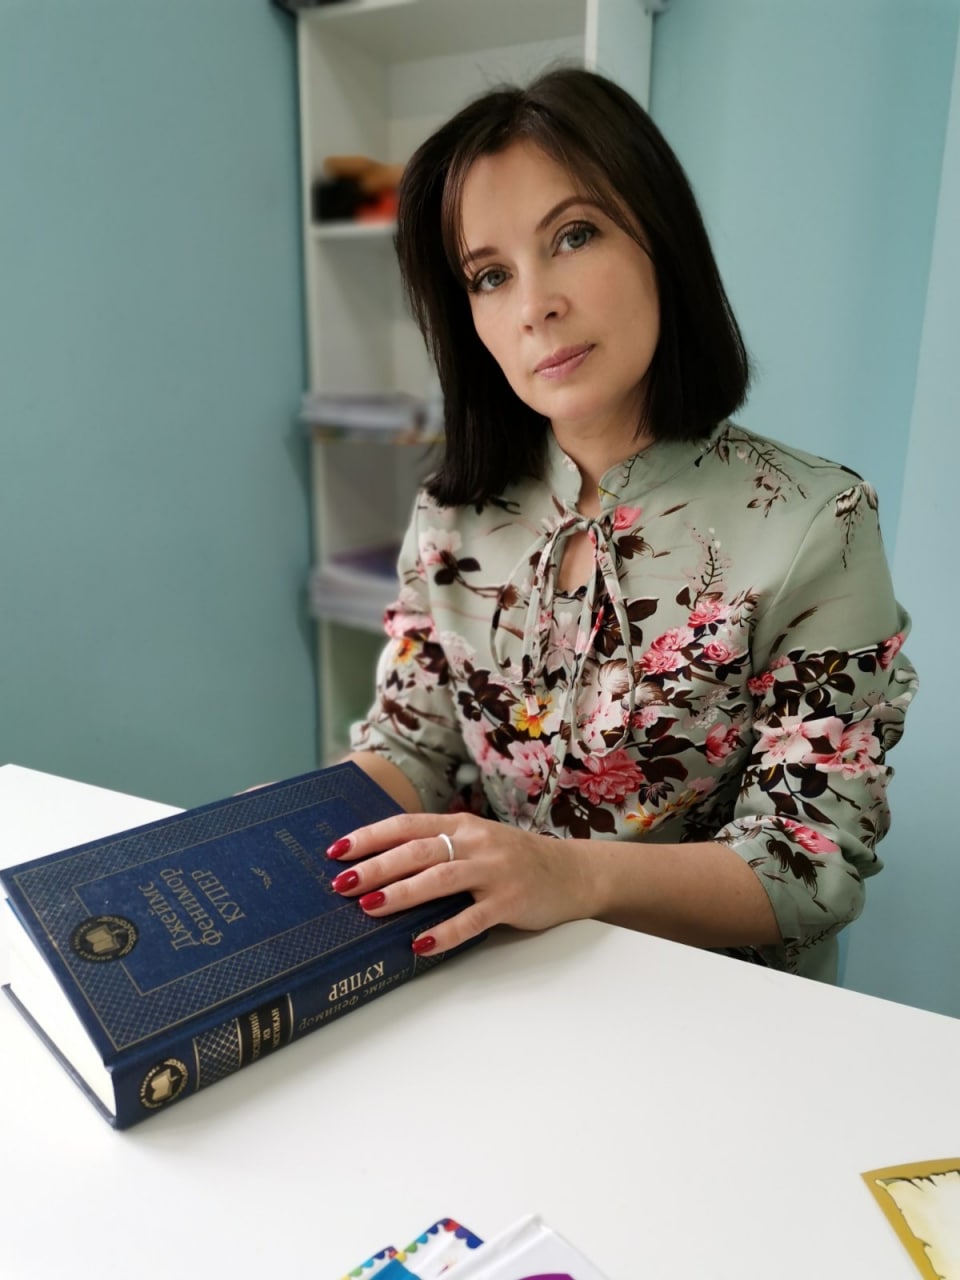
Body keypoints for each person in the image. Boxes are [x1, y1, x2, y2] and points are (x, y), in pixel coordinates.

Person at [325, 67, 917, 983]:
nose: (535, 306)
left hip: (705, 1007)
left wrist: (566, 875)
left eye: (574, 235)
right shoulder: (453, 512)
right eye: (490, 276)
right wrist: (273, 824)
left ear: (660, 240)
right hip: (485, 982)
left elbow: (810, 864)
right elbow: (412, 749)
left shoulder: (816, 521)